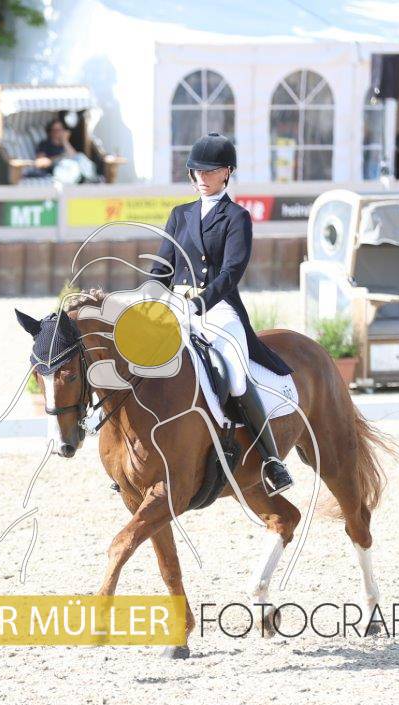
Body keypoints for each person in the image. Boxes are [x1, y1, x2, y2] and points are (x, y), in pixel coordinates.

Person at [148, 132, 295, 495]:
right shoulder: (179, 214)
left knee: (235, 374)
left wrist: (199, 302)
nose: (202, 177)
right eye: (197, 171)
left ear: (227, 173)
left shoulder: (236, 217)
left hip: (217, 307)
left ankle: (271, 460)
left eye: (211, 171)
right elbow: (162, 267)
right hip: (176, 306)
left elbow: (231, 272)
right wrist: (148, 300)